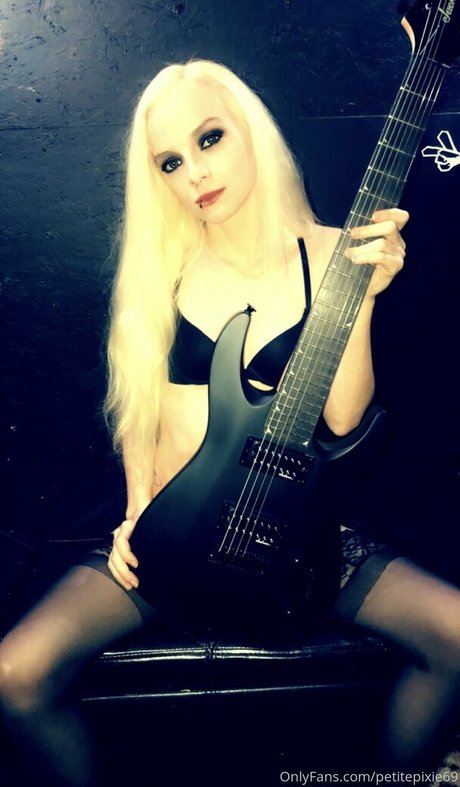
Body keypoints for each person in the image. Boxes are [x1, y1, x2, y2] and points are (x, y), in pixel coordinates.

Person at [0, 59, 459, 786]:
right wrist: (136, 510)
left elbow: (344, 416)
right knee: (15, 672)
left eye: (209, 138)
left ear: (251, 130)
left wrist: (363, 296)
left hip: (298, 534)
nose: (195, 174)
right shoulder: (162, 269)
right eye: (171, 162)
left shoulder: (333, 250)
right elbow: (140, 413)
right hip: (174, 534)